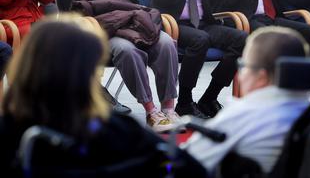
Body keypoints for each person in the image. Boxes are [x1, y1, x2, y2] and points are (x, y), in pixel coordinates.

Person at [0, 14, 207, 178]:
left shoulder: (11, 136)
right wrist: (162, 168)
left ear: (24, 68)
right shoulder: (117, 130)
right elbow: (185, 167)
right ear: (90, 75)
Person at [58, 0, 180, 132]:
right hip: (99, 31)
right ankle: (151, 111)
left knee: (166, 42)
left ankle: (169, 108)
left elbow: (130, 4)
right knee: (127, 50)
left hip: (128, 23)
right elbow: (70, 11)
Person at [184, 26, 310, 175]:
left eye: (243, 66)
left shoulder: (241, 116)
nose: (240, 75)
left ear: (261, 77)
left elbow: (184, 162)